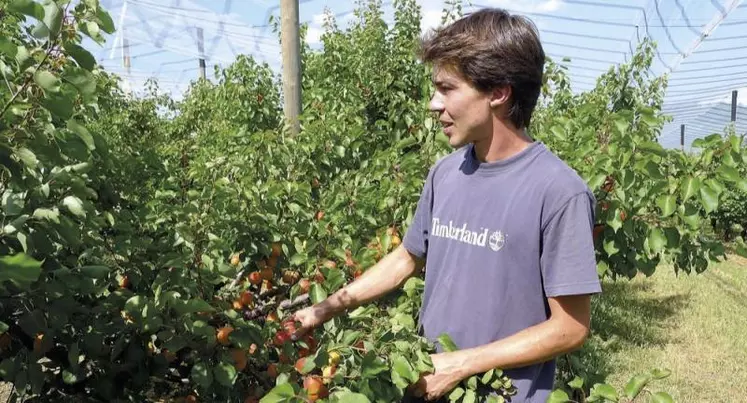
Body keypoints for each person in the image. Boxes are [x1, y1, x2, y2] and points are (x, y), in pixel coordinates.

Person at [290, 7, 602, 402]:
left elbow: (570, 327)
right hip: (427, 386)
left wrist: (459, 364)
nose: (433, 104)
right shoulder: (446, 173)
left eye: (447, 88)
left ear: (498, 92)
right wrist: (323, 309)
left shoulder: (558, 191)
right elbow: (407, 257)